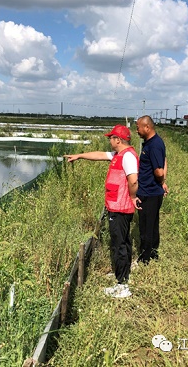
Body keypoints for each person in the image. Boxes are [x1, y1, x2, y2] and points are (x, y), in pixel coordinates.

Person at [64, 124, 139, 298]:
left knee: (119, 244)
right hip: (118, 206)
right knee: (124, 241)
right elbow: (99, 155)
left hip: (120, 207)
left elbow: (133, 180)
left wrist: (133, 197)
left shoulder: (127, 157)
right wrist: (80, 155)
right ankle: (123, 275)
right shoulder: (120, 154)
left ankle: (122, 286)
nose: (109, 141)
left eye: (111, 138)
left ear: (118, 140)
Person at [135, 115, 168, 264]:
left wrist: (161, 180)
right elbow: (165, 160)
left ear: (147, 127)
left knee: (146, 227)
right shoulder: (152, 143)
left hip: (148, 193)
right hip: (153, 191)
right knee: (153, 225)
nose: (137, 131)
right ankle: (153, 254)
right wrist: (163, 183)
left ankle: (145, 259)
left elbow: (159, 171)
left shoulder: (154, 145)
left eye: (138, 128)